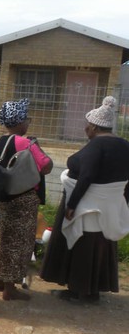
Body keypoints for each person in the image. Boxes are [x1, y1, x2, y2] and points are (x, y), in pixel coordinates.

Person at [41, 96, 129, 302]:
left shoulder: (96, 146)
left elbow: (87, 175)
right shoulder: (125, 145)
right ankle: (93, 291)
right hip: (110, 206)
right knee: (99, 246)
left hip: (88, 205)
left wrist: (72, 205)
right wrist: (122, 202)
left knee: (82, 246)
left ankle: (78, 290)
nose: (85, 130)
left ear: (94, 127)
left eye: (87, 126)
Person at [0, 99, 53, 300]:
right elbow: (46, 166)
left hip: (1, 198)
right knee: (18, 243)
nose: (28, 124)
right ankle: (9, 289)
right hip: (22, 200)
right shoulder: (25, 142)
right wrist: (37, 146)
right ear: (20, 121)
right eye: (27, 119)